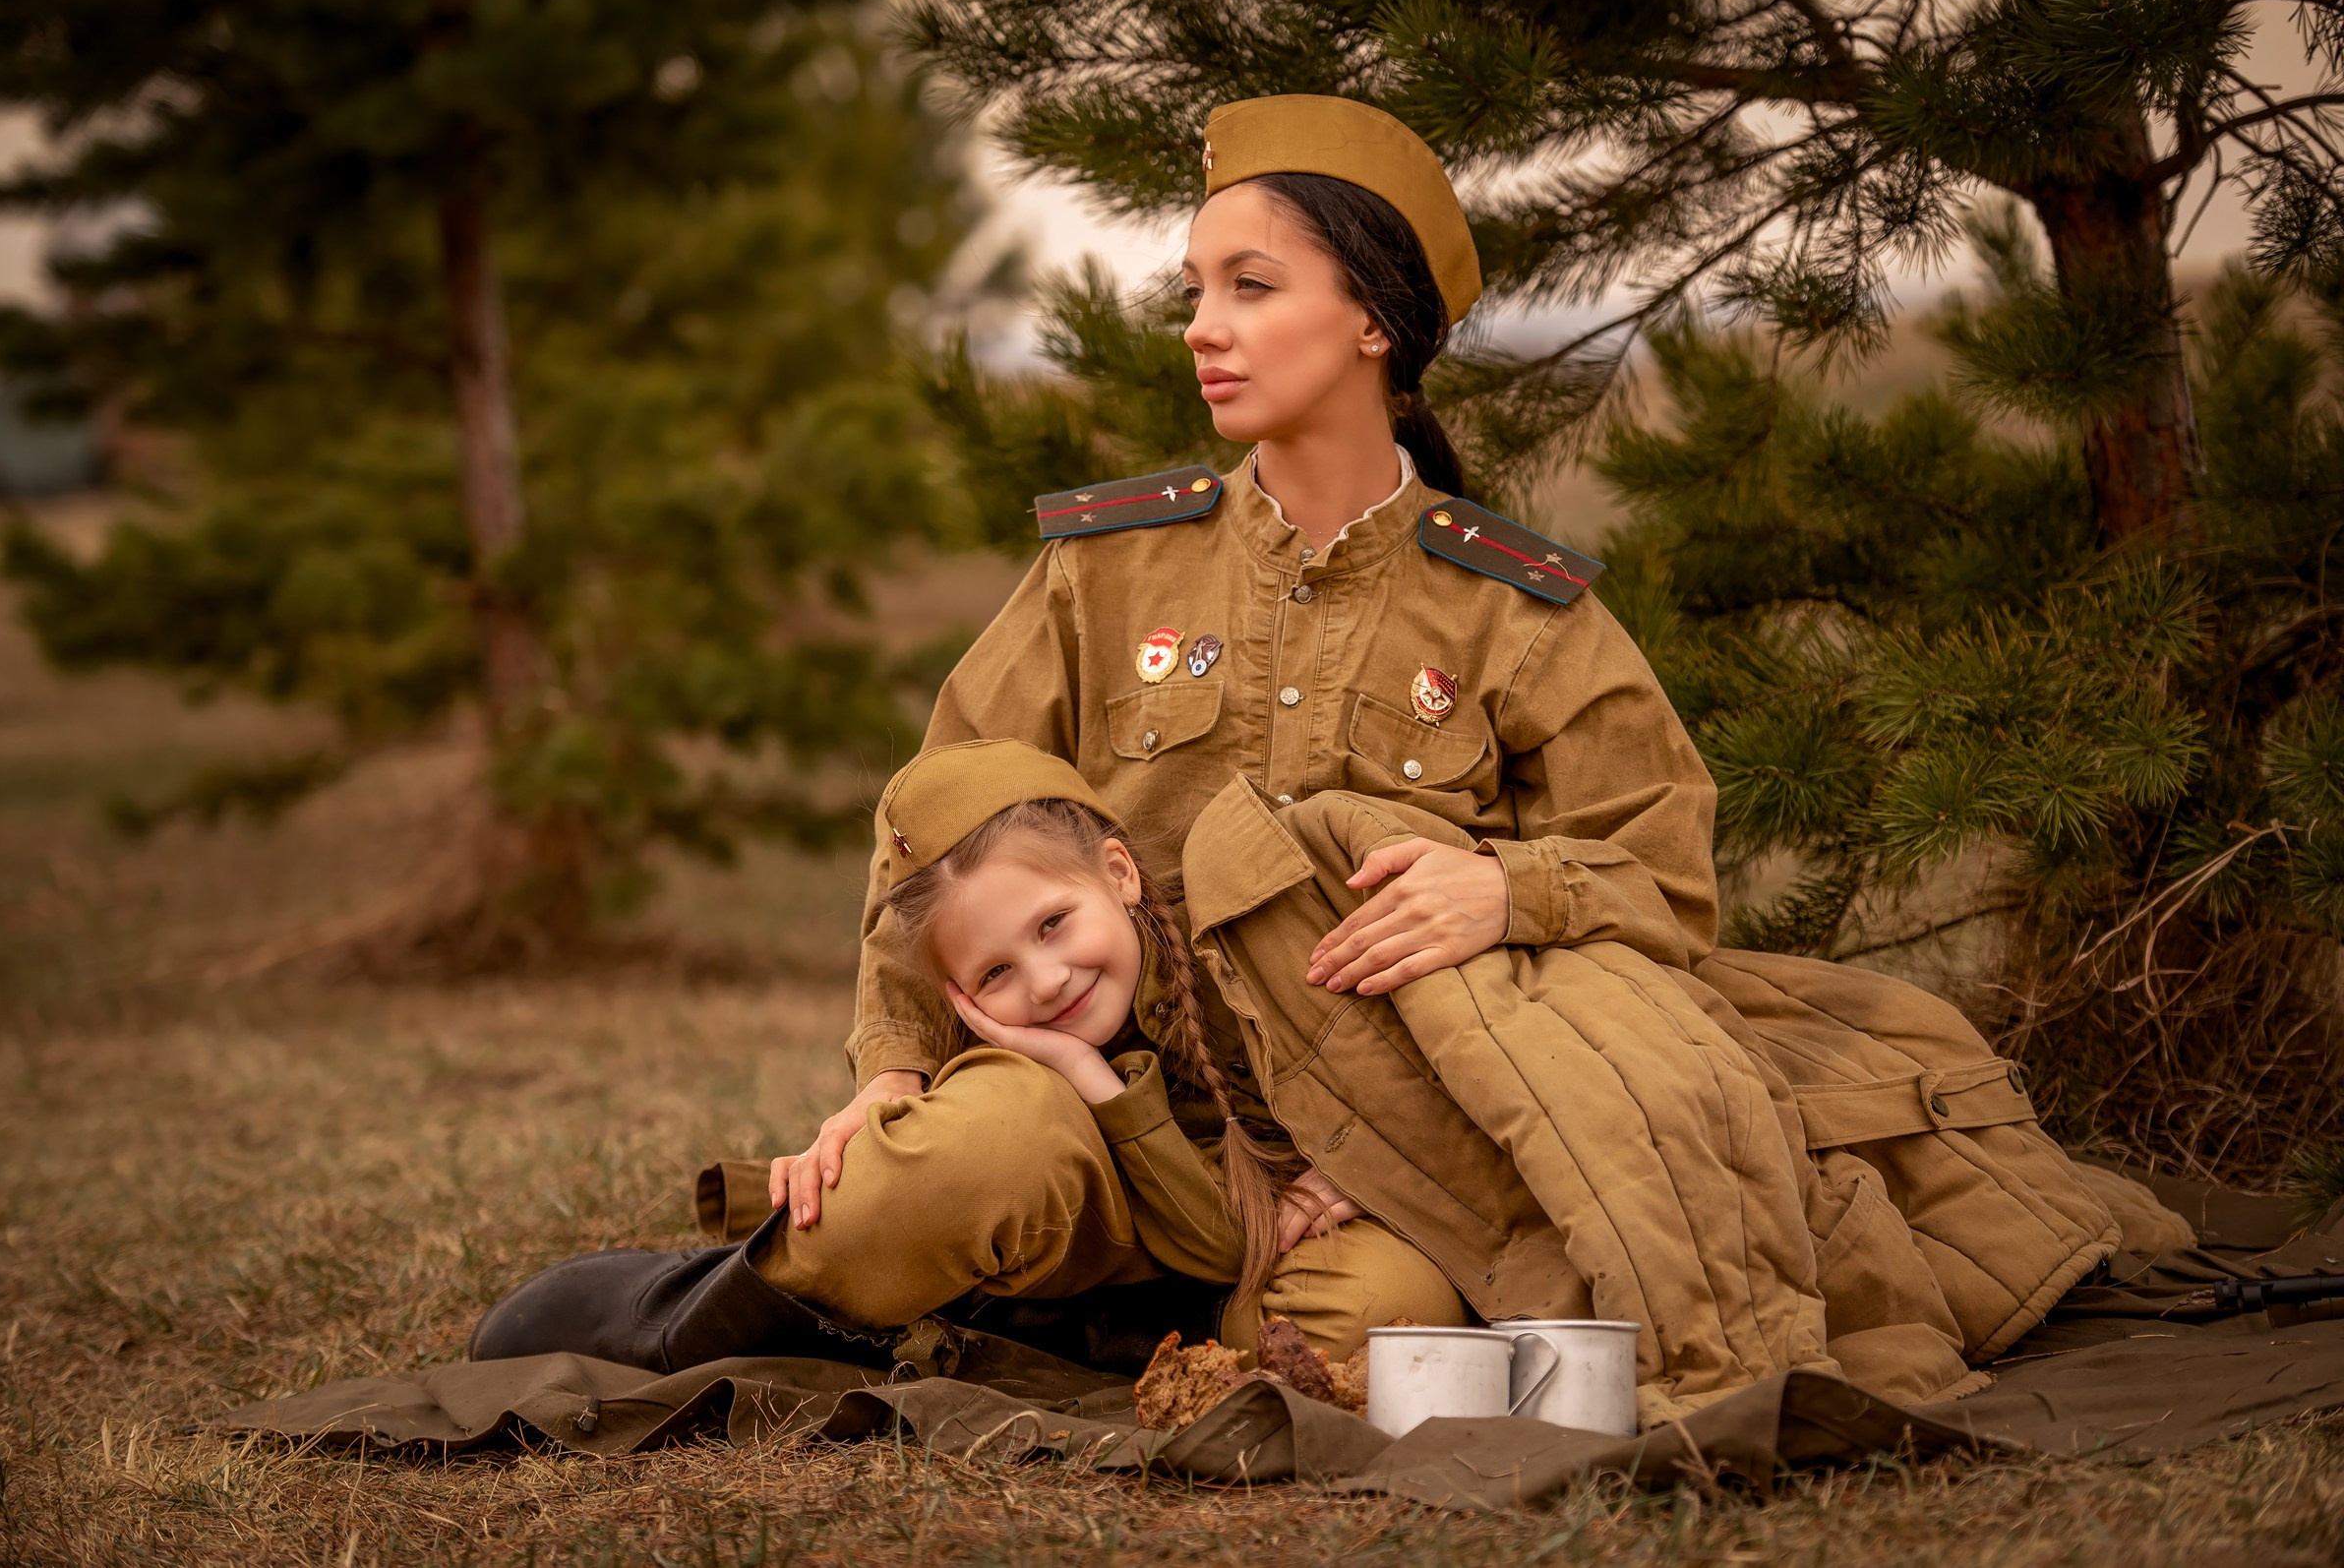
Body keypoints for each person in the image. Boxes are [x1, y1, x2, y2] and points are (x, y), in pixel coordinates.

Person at [474, 95, 2119, 1417]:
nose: (1205, 324)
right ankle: (765, 1297)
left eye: (1251, 287)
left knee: (1378, 1338)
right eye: (1196, 287)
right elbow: (940, 816)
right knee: (943, 1168)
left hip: (1369, 1148)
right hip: (1083, 1078)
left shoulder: (1515, 608)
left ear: (1376, 327)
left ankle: (1134, 1326)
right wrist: (896, 1062)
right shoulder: (1110, 567)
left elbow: (1664, 873)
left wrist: (1504, 888)